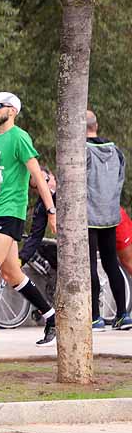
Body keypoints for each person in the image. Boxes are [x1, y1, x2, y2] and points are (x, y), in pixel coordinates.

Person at [0, 91, 58, 349]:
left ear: (13, 111)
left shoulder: (19, 137)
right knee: (12, 272)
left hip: (10, 212)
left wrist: (51, 210)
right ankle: (51, 318)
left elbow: (38, 177)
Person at [85, 110, 129, 329]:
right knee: (112, 263)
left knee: (90, 265)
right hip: (110, 215)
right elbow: (121, 180)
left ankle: (94, 317)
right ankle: (123, 314)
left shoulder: (81, 151)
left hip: (88, 216)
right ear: (97, 125)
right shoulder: (116, 151)